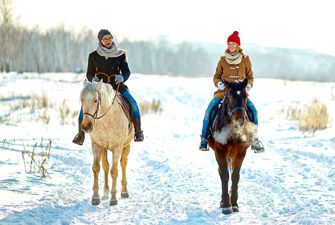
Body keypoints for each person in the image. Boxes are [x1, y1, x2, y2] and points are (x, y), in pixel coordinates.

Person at [72, 29, 144, 145]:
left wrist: (122, 77)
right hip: (99, 88)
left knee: (133, 103)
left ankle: (138, 132)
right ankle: (80, 134)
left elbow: (126, 72)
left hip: (117, 87)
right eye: (105, 39)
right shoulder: (93, 56)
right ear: (100, 41)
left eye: (110, 38)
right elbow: (89, 73)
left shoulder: (120, 54)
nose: (108, 41)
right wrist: (93, 79)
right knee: (84, 108)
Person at [199, 31, 264, 153]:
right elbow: (216, 76)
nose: (230, 46)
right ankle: (204, 138)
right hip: (223, 94)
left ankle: (255, 140)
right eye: (229, 43)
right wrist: (219, 84)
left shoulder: (245, 60)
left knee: (254, 111)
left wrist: (249, 85)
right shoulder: (222, 60)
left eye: (233, 43)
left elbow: (250, 76)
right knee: (209, 111)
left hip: (240, 96)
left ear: (238, 45)